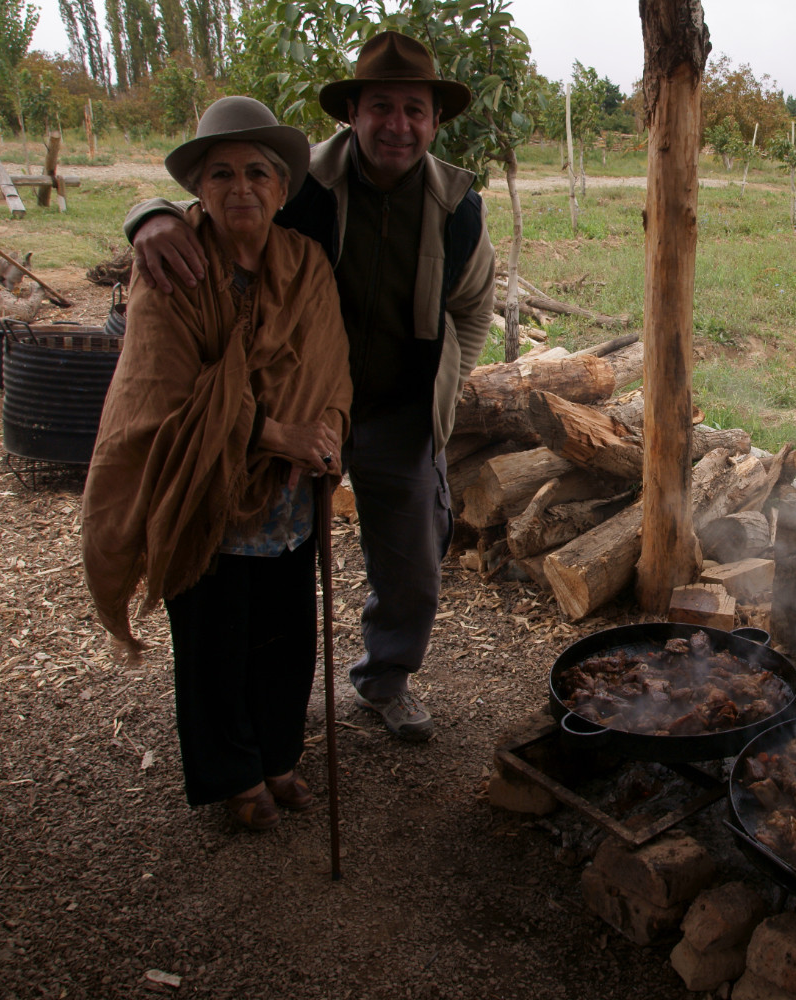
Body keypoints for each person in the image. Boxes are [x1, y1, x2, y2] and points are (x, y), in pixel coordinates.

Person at [125, 32, 498, 742]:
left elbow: (473, 302)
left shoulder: (458, 205)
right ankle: (257, 728)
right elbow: (219, 201)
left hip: (397, 412)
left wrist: (449, 381)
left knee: (416, 566)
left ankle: (384, 681)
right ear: (351, 113)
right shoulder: (303, 186)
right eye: (381, 106)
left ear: (435, 121)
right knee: (268, 563)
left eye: (415, 109)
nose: (398, 124)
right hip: (292, 410)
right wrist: (147, 214)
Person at [83, 96, 353, 830]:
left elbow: (331, 368)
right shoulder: (171, 265)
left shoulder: (306, 264)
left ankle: (278, 756)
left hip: (291, 497)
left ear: (281, 187)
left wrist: (324, 432)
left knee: (288, 634)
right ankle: (234, 775)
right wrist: (275, 433)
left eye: (258, 173)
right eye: (223, 173)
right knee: (214, 640)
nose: (242, 188)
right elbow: (166, 395)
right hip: (202, 487)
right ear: (197, 188)